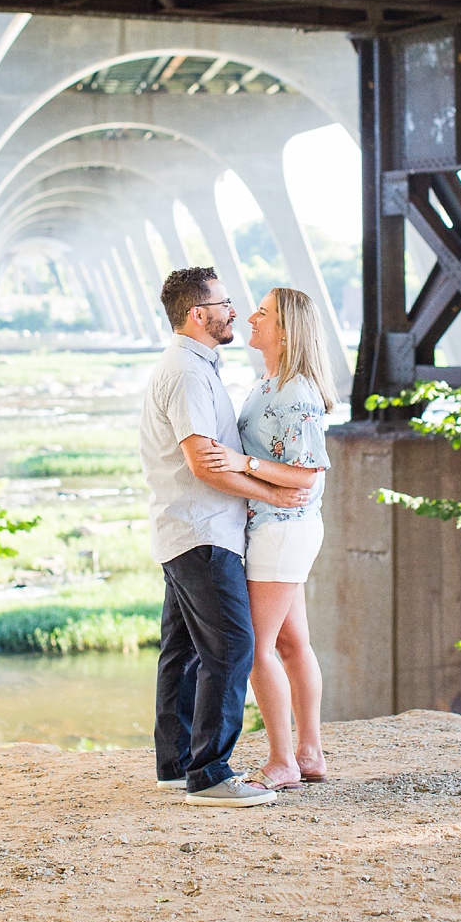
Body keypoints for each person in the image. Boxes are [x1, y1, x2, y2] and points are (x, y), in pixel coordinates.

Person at [142, 266, 311, 808]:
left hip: (185, 527)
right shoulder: (189, 373)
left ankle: (176, 766)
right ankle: (211, 775)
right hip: (203, 530)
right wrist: (270, 494)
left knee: (185, 651)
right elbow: (203, 465)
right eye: (224, 302)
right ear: (199, 314)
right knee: (233, 647)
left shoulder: (195, 365)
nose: (233, 310)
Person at [196, 287, 334, 791]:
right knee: (294, 644)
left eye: (264, 312)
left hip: (282, 531)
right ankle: (309, 753)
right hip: (279, 530)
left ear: (286, 329)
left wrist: (241, 463)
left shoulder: (295, 391)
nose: (250, 316)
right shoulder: (268, 382)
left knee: (255, 648)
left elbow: (307, 475)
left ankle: (281, 762)